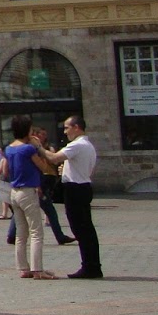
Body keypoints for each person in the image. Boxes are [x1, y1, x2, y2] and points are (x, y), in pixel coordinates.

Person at [44, 115, 102, 279]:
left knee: (81, 229)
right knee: (86, 229)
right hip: (82, 187)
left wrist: (38, 148)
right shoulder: (87, 145)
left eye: (67, 127)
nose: (65, 131)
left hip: (76, 189)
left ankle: (90, 267)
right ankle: (92, 265)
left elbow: (54, 158)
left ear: (77, 127)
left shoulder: (77, 145)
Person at [2, 114, 56, 281]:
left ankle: (23, 268)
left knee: (21, 232)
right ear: (27, 130)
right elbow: (43, 166)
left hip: (14, 191)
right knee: (36, 232)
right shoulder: (28, 149)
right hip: (28, 191)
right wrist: (38, 147)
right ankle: (38, 269)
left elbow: (5, 171)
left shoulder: (9, 148)